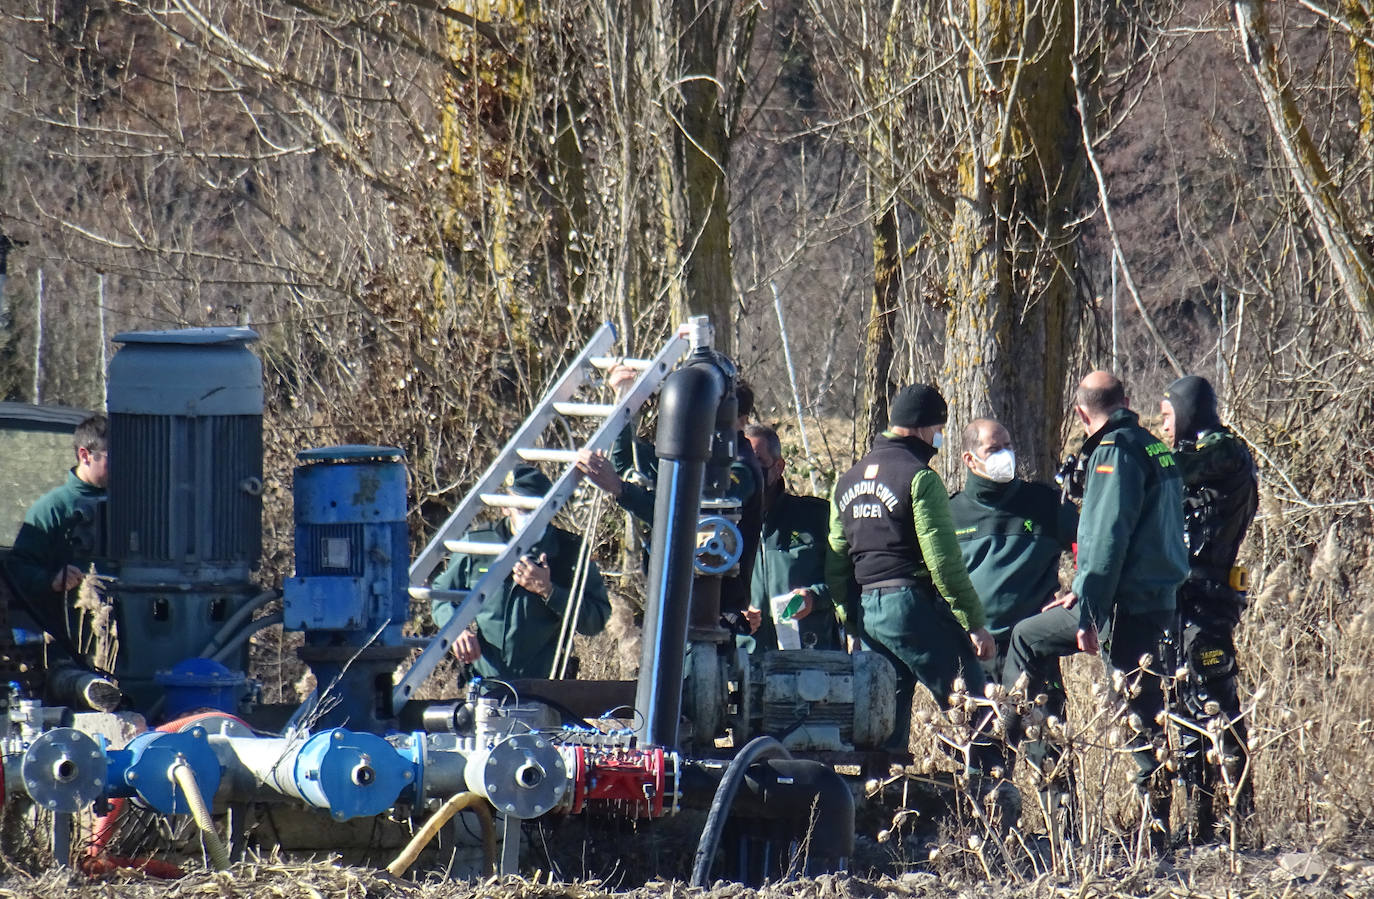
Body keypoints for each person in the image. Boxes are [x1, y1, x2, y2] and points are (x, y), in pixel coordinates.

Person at [1003, 371, 1188, 849]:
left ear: (1083, 413)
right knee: (1146, 710)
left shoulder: (1113, 454)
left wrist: (1086, 609)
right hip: (1157, 598)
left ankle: (1011, 753)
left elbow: (1107, 540)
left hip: (1122, 606)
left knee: (1132, 712)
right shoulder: (1154, 447)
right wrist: (1082, 593)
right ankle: (1157, 826)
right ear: (1127, 401)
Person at [824, 384, 996, 757]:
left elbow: (837, 558)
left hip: (870, 612)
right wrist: (973, 622)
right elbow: (943, 562)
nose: (938, 439)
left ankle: (881, 799)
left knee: (881, 721)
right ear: (921, 429)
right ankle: (991, 795)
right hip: (910, 606)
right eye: (938, 430)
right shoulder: (919, 478)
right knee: (971, 702)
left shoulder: (847, 481)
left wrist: (851, 619)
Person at [577, 371, 762, 631]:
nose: (705, 423)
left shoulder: (742, 470)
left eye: (716, 417)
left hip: (713, 614)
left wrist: (621, 490)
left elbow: (687, 516)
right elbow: (628, 461)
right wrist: (625, 401)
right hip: (674, 602)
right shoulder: (690, 457)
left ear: (741, 421)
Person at [1161, 374, 1258, 843]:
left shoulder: (1224, 450)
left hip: (1208, 605)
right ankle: (1199, 824)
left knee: (1217, 704)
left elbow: (1184, 465)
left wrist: (1132, 452)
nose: (1160, 425)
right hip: (1181, 603)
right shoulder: (1190, 461)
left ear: (1187, 411)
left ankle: (1242, 822)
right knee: (1182, 708)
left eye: (1165, 415)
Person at [431, 464, 611, 681]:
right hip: (486, 684)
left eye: (537, 510)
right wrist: (456, 629)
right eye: (524, 510)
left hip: (545, 685)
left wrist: (549, 591)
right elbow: (440, 596)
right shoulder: (478, 544)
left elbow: (596, 620)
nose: (531, 519)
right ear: (505, 507)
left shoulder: (569, 551)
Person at [6, 414, 122, 711]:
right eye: (113, 456)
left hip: (124, 644)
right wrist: (52, 580)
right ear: (85, 455)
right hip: (66, 646)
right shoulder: (53, 509)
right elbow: (17, 570)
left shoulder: (130, 506)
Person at [741, 424, 840, 652]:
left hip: (811, 658)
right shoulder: (725, 528)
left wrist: (814, 598)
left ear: (778, 467)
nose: (749, 473)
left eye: (757, 462)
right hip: (746, 661)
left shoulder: (816, 517)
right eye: (742, 464)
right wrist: (734, 614)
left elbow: (849, 581)